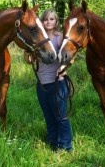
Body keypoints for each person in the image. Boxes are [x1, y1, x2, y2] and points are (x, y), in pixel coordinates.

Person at [24, 9, 73, 152]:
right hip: (42, 84)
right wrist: (28, 52)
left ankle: (65, 146)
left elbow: (71, 58)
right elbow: (28, 61)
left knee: (61, 116)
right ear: (41, 22)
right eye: (45, 19)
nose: (48, 22)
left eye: (51, 19)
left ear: (56, 21)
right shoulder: (37, 38)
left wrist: (62, 68)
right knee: (48, 116)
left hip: (58, 83)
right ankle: (53, 143)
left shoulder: (60, 37)